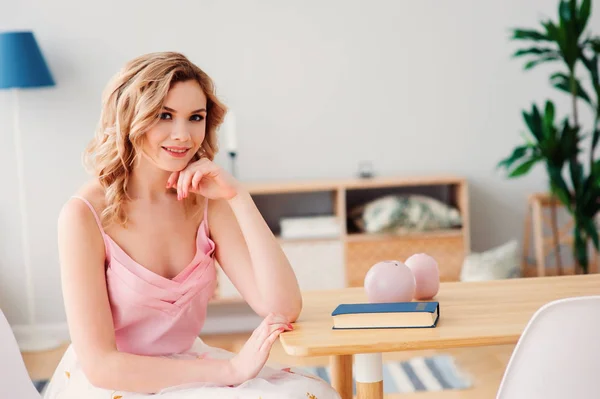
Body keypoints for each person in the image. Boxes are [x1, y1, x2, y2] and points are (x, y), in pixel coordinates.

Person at [44, 52, 340, 399]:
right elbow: (102, 365)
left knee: (311, 392)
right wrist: (230, 371)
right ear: (128, 118)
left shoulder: (206, 201)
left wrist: (239, 198)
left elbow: (283, 308)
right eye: (164, 116)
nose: (183, 135)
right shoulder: (83, 216)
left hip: (188, 365)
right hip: (117, 381)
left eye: (195, 117)